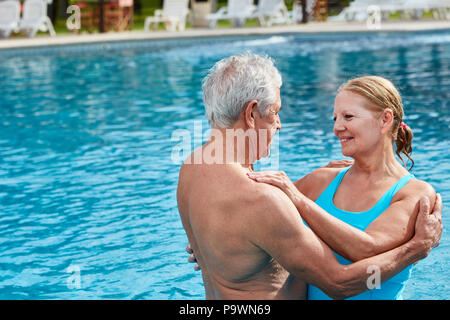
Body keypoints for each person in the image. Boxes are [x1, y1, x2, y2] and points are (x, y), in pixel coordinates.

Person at [177, 53, 442, 300]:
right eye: (275, 112)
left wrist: (208, 246)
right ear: (250, 114)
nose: (279, 123)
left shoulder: (191, 168)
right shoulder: (262, 200)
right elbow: (339, 284)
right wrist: (417, 249)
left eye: (349, 116)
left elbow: (234, 227)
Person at [247, 75, 442, 299]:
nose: (338, 128)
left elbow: (365, 251)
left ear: (385, 119)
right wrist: (204, 240)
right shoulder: (321, 180)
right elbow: (249, 208)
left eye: (348, 116)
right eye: (335, 118)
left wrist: (298, 200)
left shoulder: (415, 194)